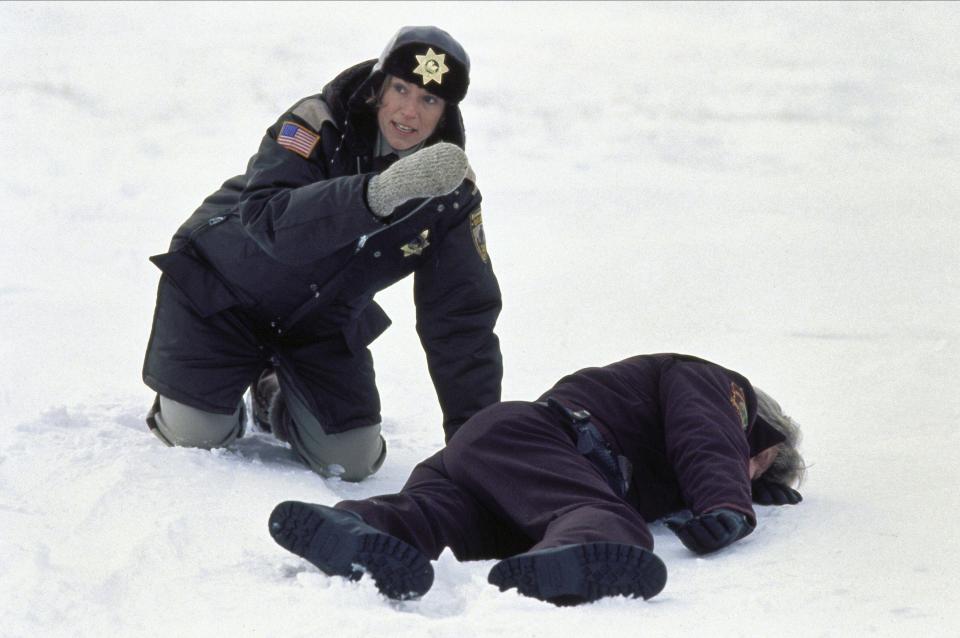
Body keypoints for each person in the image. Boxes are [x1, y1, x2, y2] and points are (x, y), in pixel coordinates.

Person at [141, 26, 502, 482]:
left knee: (352, 462)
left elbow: (460, 317)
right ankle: (206, 394)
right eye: (401, 88)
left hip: (318, 325)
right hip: (220, 293)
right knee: (199, 434)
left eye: (430, 100)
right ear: (378, 87)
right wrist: (378, 194)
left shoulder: (451, 192)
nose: (410, 111)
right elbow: (269, 222)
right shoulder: (317, 121)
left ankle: (271, 391)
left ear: (446, 112)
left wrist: (478, 444)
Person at [268, 353, 805, 605]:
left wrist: (746, 490)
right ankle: (584, 547)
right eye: (761, 461)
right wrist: (728, 503)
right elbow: (706, 436)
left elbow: (700, 456)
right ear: (759, 434)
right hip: (541, 440)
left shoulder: (680, 455)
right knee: (601, 517)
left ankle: (360, 527)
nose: (753, 471)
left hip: (496, 465)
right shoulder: (719, 388)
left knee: (435, 518)